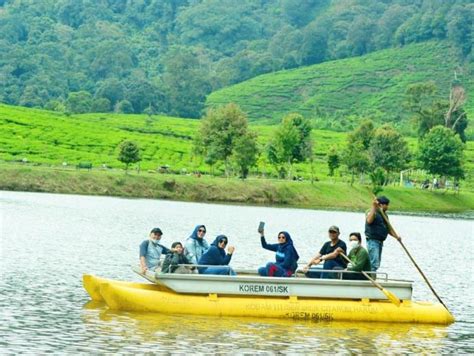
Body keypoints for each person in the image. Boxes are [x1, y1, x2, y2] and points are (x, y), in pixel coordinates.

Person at [365, 196, 400, 272]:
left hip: (380, 242)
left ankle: (372, 275)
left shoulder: (384, 215)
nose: (387, 207)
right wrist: (374, 207)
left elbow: (389, 229)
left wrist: (396, 237)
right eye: (386, 204)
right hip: (373, 241)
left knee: (377, 262)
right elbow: (369, 221)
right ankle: (370, 278)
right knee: (374, 262)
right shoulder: (372, 212)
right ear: (380, 204)